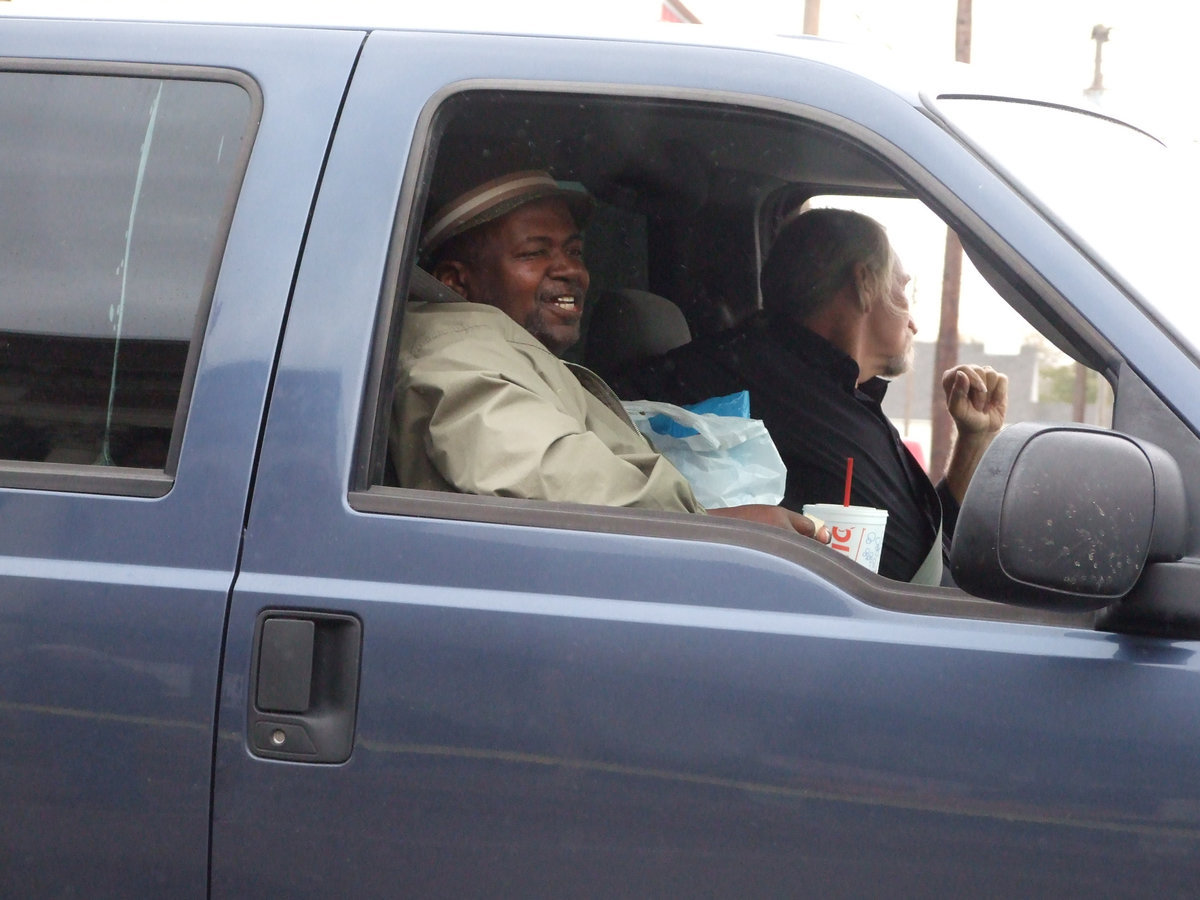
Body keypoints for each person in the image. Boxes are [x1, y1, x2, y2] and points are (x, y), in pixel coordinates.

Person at [390, 169, 828, 541]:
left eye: (574, 251)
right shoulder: (454, 353)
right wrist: (718, 530)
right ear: (457, 282)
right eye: (534, 252)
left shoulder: (503, 352)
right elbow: (549, 480)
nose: (570, 270)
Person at [612, 207, 1008, 584]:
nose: (914, 322)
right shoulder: (744, 373)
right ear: (864, 283)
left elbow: (926, 551)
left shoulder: (844, 394)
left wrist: (973, 441)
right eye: (903, 291)